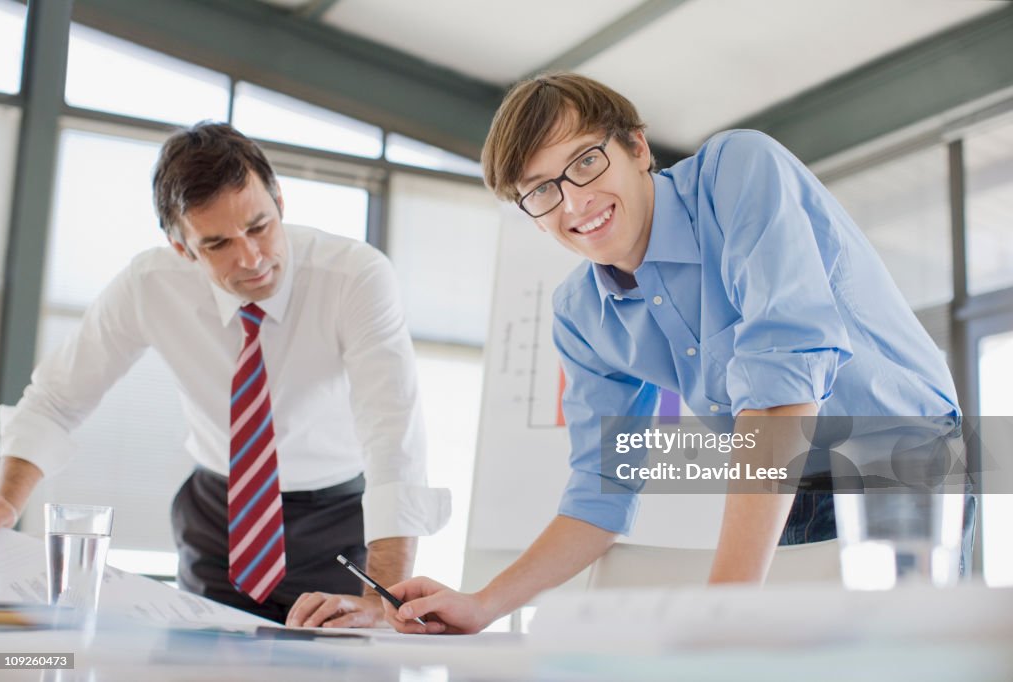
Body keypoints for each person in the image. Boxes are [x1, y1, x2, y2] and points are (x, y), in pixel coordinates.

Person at [378, 73, 969, 634]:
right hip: (793, 485)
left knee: (903, 656)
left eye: (586, 161)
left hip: (900, 451)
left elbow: (783, 380)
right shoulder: (581, 315)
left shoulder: (739, 171)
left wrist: (720, 611)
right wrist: (481, 604)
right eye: (541, 190)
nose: (575, 202)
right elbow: (600, 492)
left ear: (637, 147)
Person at [0, 122, 449, 626]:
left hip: (335, 522)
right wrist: (6, 503)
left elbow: (394, 436)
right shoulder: (149, 284)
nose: (251, 259)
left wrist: (380, 602)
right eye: (217, 243)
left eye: (259, 227)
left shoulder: (354, 277)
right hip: (217, 518)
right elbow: (57, 397)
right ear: (181, 246)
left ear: (279, 201)